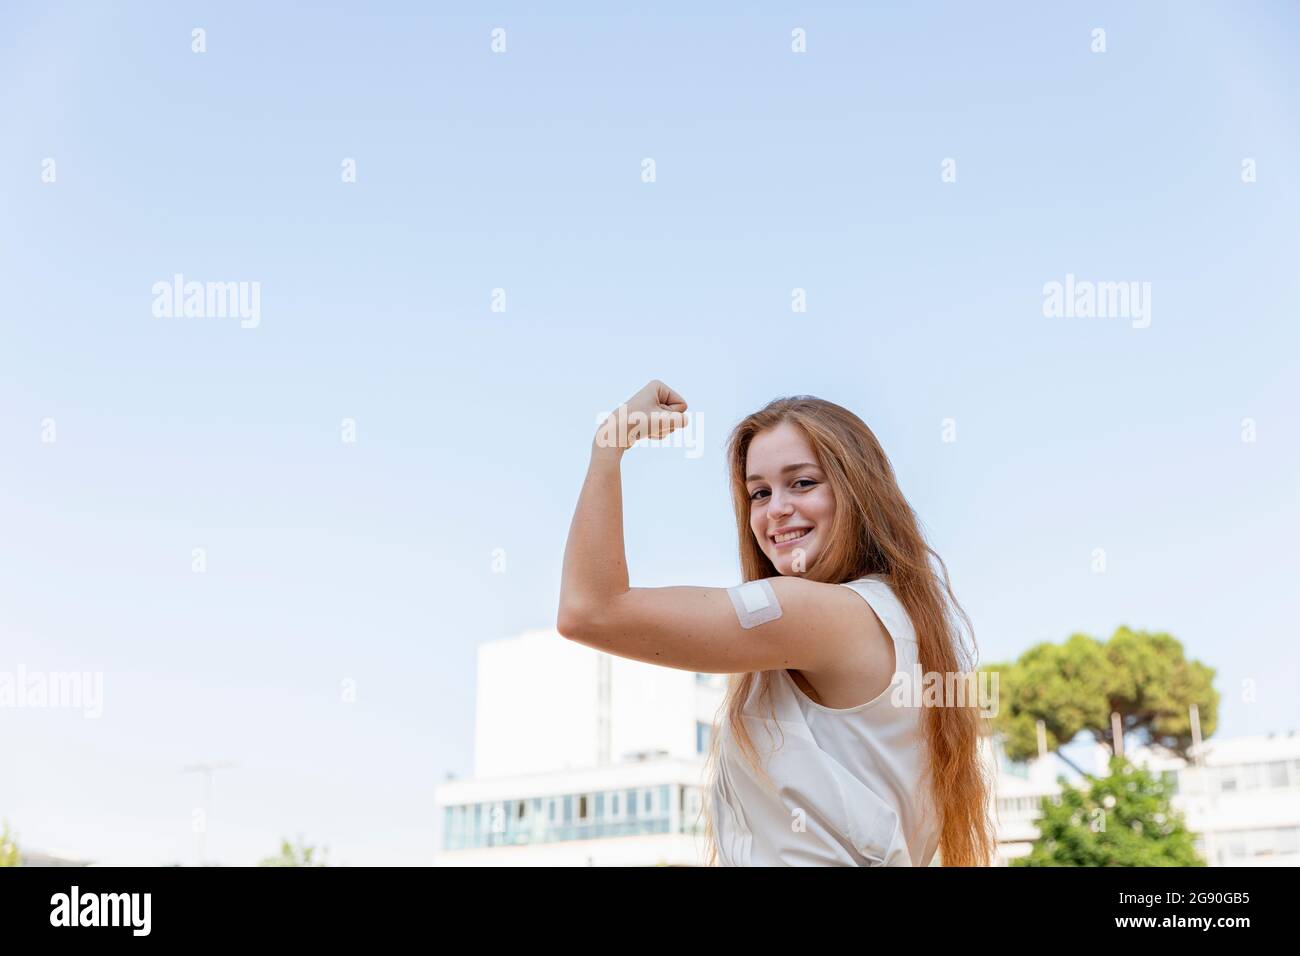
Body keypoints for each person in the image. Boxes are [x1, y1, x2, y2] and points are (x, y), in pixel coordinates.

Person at [558, 380, 994, 866]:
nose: (776, 509)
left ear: (857, 489)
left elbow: (591, 611)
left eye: (803, 482)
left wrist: (608, 444)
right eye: (759, 493)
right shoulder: (895, 616)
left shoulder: (818, 614)